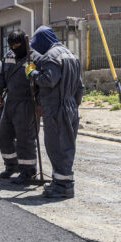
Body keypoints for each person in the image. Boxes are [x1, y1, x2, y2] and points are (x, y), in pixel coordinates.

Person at [27, 26, 84, 199]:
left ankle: (64, 187)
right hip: (70, 106)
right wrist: (73, 106)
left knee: (56, 147)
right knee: (67, 147)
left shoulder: (50, 57)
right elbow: (80, 87)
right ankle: (60, 182)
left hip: (56, 108)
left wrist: (32, 73)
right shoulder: (71, 55)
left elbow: (48, 79)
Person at [0, 29, 39, 184]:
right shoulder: (8, 57)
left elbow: (41, 84)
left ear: (25, 43)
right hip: (10, 102)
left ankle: (28, 172)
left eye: (17, 45)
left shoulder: (34, 58)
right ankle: (11, 166)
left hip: (27, 104)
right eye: (11, 45)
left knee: (25, 139)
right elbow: (1, 77)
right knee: (4, 136)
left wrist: (38, 105)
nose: (14, 48)